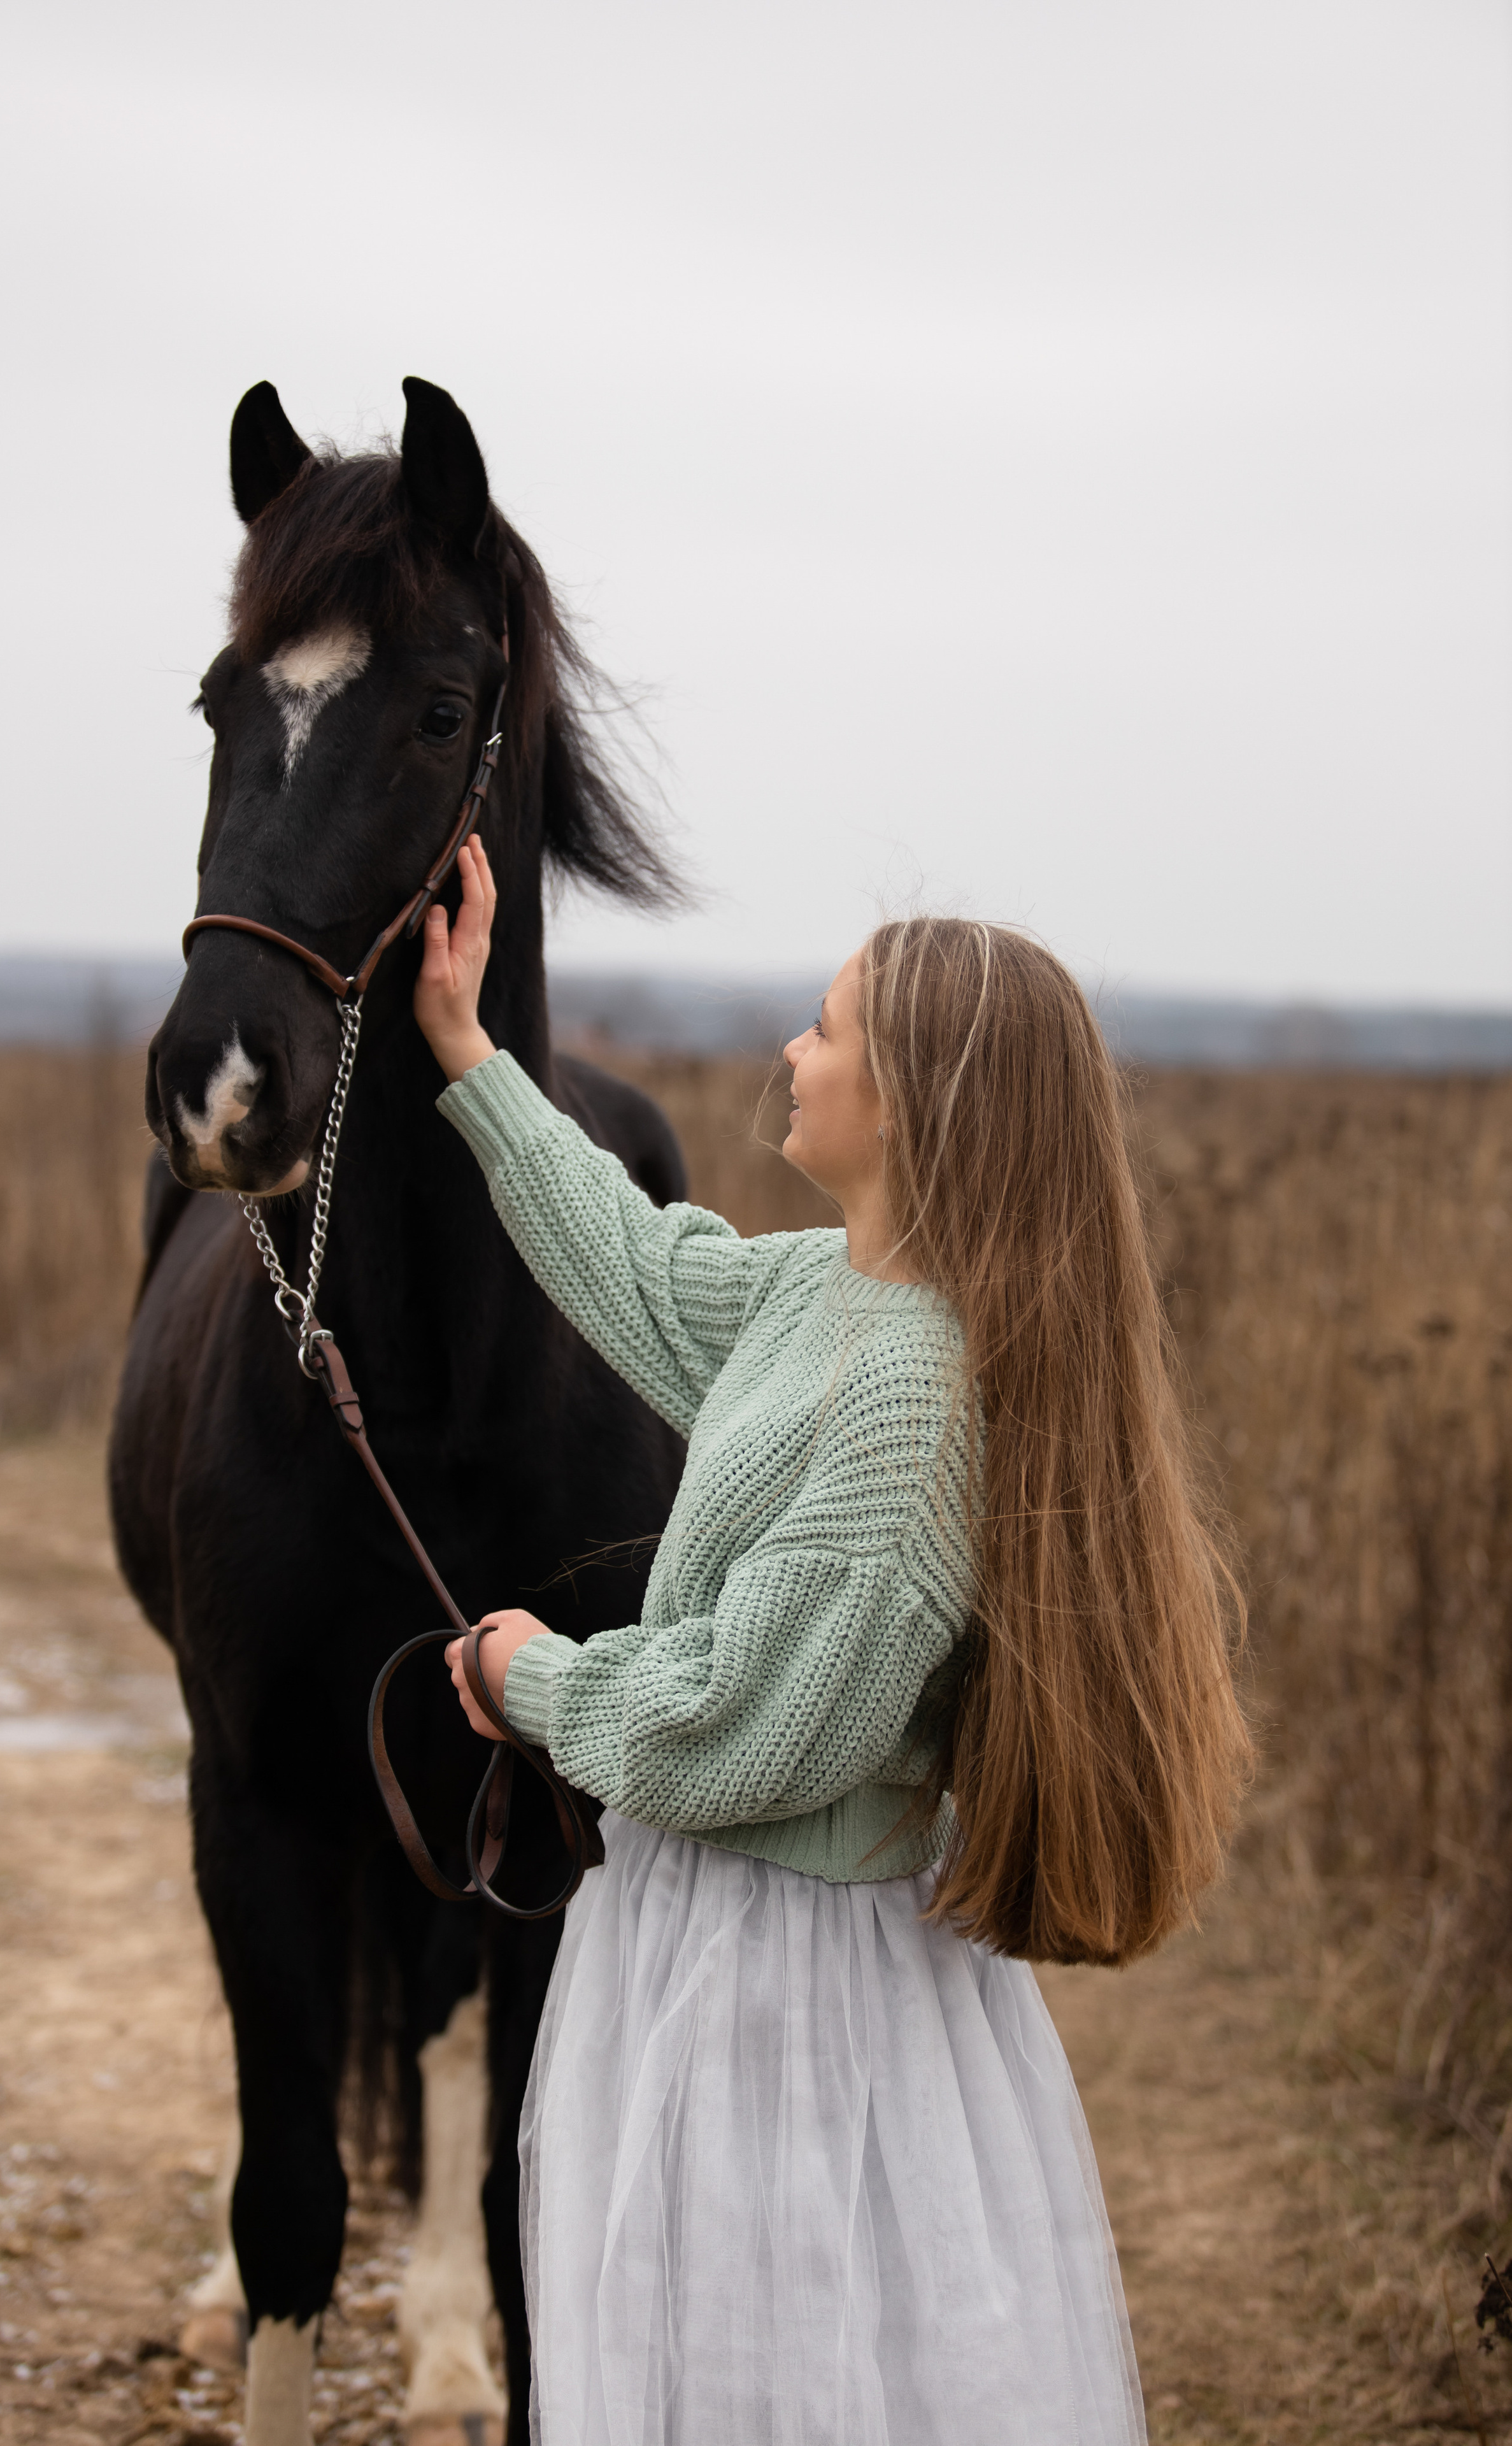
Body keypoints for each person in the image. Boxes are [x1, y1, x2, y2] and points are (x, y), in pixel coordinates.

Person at [415, 838, 1251, 2446]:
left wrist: (538, 1683)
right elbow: (642, 1266)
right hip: (708, 1946)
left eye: (824, 1029)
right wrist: (468, 1052)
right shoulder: (826, 1296)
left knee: (770, 2386)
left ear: (915, 1100)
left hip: (786, 1993)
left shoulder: (908, 1393)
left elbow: (752, 1722)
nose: (788, 1056)